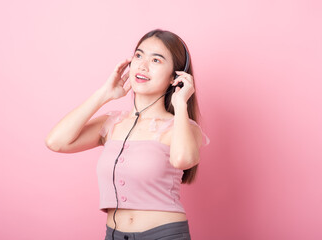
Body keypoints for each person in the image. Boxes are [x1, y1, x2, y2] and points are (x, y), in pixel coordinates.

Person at [45, 29, 210, 240]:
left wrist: (180, 105)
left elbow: (183, 159)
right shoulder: (112, 123)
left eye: (156, 60)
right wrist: (104, 94)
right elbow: (55, 142)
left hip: (165, 235)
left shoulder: (182, 126)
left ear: (175, 77)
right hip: (114, 235)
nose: (142, 65)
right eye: (138, 55)